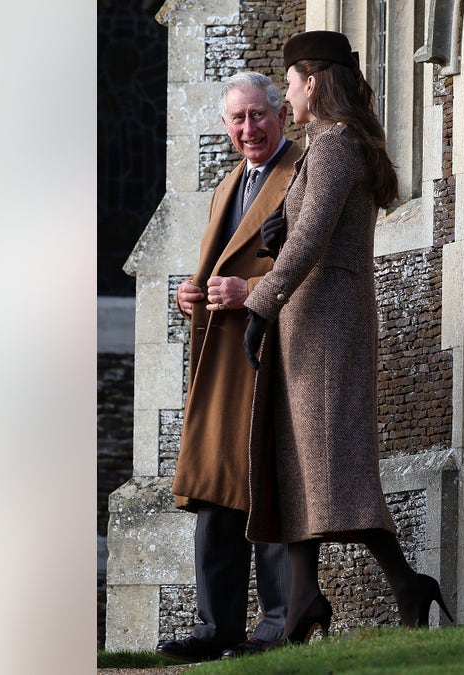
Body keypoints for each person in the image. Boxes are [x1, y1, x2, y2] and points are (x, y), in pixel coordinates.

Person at [241, 31, 455, 644]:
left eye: (290, 82)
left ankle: (407, 584)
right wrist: (281, 234)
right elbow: (310, 232)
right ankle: (305, 599)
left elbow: (313, 243)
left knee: (339, 474)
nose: (287, 95)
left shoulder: (334, 145)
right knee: (302, 464)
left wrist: (259, 304)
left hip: (326, 330)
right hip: (310, 325)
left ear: (313, 80)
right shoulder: (328, 146)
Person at [157, 72, 303, 662]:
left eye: (259, 116)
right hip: (223, 360)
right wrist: (192, 293)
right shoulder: (228, 186)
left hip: (277, 354)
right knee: (217, 490)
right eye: (238, 120)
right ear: (226, 126)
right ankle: (214, 626)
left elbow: (323, 270)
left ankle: (275, 624)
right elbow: (218, 268)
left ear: (281, 115)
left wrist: (253, 291)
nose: (249, 129)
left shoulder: (305, 174)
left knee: (266, 484)